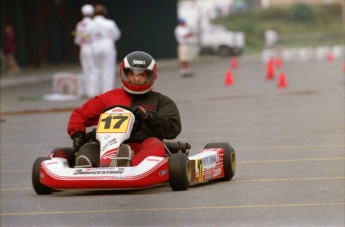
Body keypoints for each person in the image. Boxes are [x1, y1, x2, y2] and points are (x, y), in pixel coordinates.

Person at [67, 51, 182, 167]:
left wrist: (149, 116)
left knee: (154, 144)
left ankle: (129, 164)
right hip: (106, 147)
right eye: (132, 74)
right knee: (90, 147)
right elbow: (79, 115)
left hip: (141, 147)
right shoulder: (108, 97)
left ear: (151, 76)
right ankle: (87, 165)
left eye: (141, 75)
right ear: (125, 74)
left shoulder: (161, 101)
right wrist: (78, 134)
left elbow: (173, 128)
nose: (136, 78)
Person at [87, 4, 121, 97]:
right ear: (104, 12)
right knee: (108, 69)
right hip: (107, 46)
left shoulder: (90, 24)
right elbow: (116, 35)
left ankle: (93, 92)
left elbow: (87, 37)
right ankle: (107, 92)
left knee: (95, 69)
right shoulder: (110, 23)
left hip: (94, 47)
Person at [74, 4, 94, 96]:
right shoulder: (94, 23)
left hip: (83, 49)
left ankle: (88, 91)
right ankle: (94, 91)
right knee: (94, 70)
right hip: (92, 48)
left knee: (86, 70)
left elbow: (77, 40)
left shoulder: (79, 24)